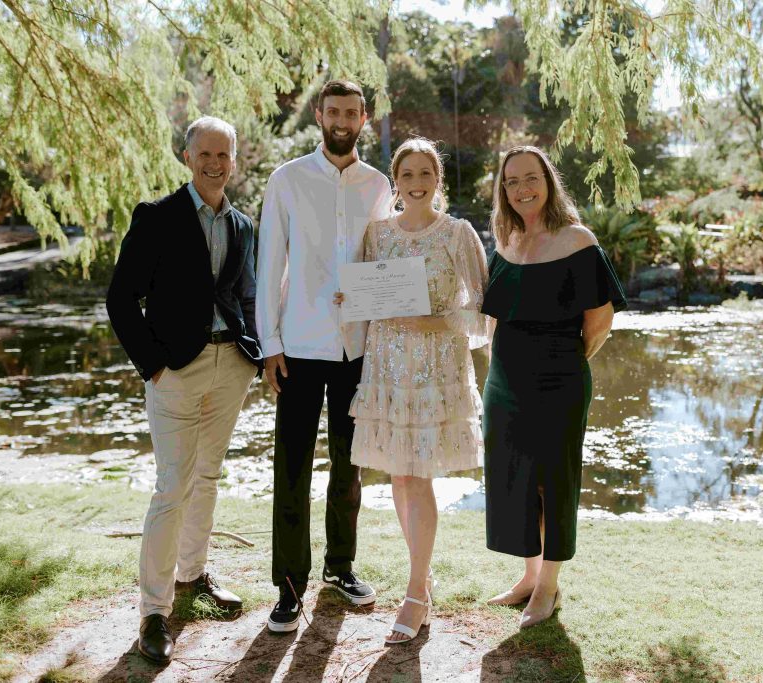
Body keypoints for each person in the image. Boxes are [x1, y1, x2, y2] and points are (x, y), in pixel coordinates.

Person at [106, 116, 263, 664]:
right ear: (187, 156)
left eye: (225, 155)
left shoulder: (243, 224)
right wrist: (153, 365)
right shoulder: (156, 218)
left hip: (231, 367)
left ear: (234, 160)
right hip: (175, 369)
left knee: (209, 476)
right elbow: (121, 299)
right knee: (173, 484)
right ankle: (154, 609)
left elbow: (245, 297)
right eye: (206, 154)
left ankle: (194, 575)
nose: (216, 164)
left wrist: (256, 355)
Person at [340, 137, 491, 644]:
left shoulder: (457, 234)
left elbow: (483, 313)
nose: (417, 183)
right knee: (400, 478)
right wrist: (351, 296)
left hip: (433, 370)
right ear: (396, 181)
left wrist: (431, 322)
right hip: (387, 369)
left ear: (438, 180)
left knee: (418, 476)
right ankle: (421, 578)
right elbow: (363, 295)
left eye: (426, 173)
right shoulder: (377, 235)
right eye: (408, 174)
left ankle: (415, 592)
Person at [256, 80, 393, 633]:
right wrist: (269, 345)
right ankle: (289, 588)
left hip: (356, 347)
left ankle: (340, 568)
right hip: (299, 347)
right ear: (319, 115)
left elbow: (384, 262)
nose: (341, 120)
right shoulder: (286, 180)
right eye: (333, 111)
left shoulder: (380, 185)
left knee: (348, 465)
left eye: (351, 112)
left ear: (364, 118)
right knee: (291, 468)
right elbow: (268, 267)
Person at [480, 146, 627, 629]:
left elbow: (599, 322)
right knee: (518, 480)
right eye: (512, 182)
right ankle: (528, 576)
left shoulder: (578, 241)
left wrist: (564, 365)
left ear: (548, 181)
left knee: (554, 482)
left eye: (530, 178)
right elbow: (492, 316)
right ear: (503, 191)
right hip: (504, 382)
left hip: (558, 380)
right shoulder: (505, 243)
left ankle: (548, 588)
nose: (522, 189)